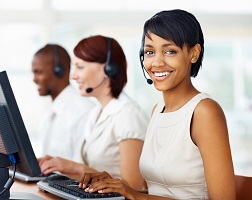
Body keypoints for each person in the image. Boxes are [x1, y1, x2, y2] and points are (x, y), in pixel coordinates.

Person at [78, 9, 236, 199]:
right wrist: (117, 186)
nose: (157, 62)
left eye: (170, 51)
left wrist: (135, 195)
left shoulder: (204, 111)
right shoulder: (158, 111)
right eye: (149, 52)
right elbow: (160, 192)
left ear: (193, 53)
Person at [38, 35, 149, 191]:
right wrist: (61, 166)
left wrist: (74, 167)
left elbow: (134, 187)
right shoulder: (96, 112)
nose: (73, 76)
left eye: (80, 67)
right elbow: (90, 178)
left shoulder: (127, 115)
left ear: (108, 68)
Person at [32, 44, 94, 162]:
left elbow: (83, 168)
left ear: (59, 71)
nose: (34, 79)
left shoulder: (82, 111)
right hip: (49, 179)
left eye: (38, 72)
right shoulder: (50, 113)